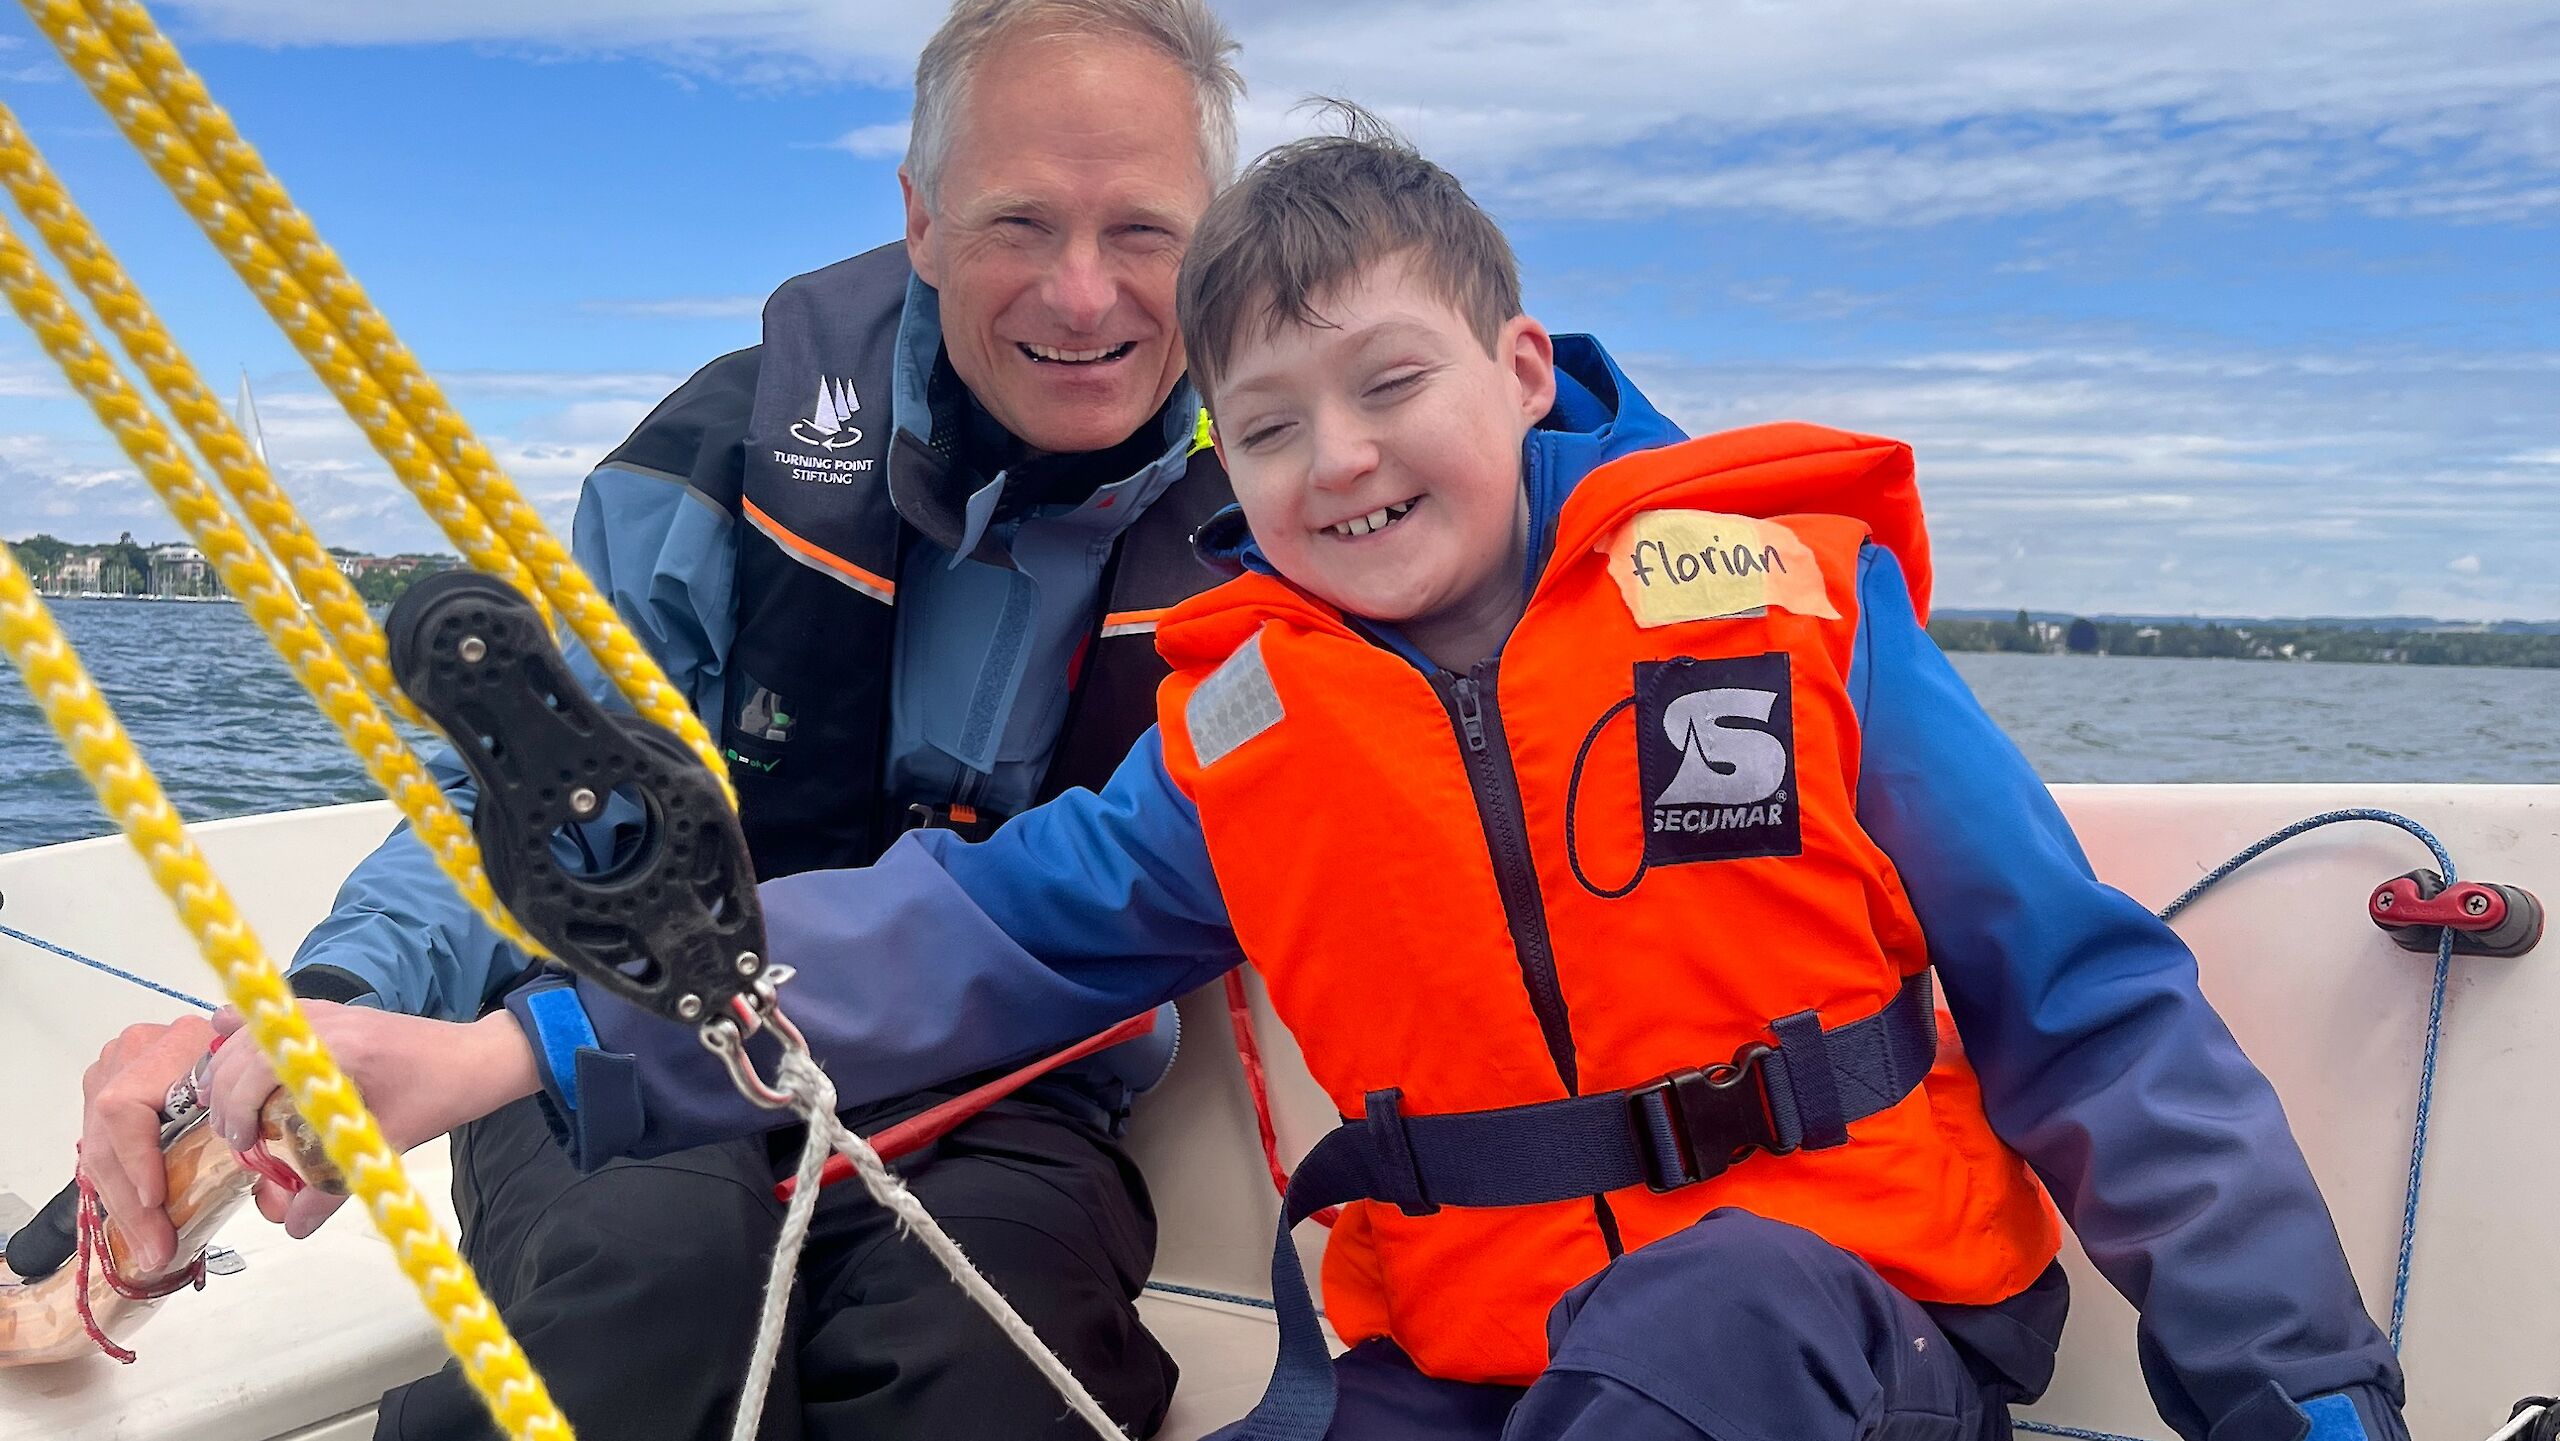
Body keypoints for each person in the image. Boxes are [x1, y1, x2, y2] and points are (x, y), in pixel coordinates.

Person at [209, 120, 2409, 1441]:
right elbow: (957, 942)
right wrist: (506, 1049)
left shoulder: (1790, 613)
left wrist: (2308, 1407)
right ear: (1222, 472)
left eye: (1390, 385)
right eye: (1267, 428)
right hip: (1454, 1358)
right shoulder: (1244, 734)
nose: (1337, 460)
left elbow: (2092, 1014)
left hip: (1830, 1327)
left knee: (1685, 1335)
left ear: (1520, 367)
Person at [74, 2, 1247, 1437]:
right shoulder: (723, 460)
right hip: (608, 1034)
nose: (1082, 295)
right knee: (642, 1305)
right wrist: (345, 1003)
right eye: (1020, 224)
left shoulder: (1291, 508)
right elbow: (511, 793)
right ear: (924, 222)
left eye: (1142, 232)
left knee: (984, 1369)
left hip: (1004, 1092)